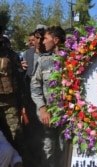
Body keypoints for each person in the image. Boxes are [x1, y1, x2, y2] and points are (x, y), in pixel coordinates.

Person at [31, 26, 66, 167]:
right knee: (48, 151)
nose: (43, 42)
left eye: (46, 38)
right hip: (48, 116)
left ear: (56, 40)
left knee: (66, 151)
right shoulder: (43, 60)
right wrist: (42, 108)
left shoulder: (74, 60)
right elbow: (35, 86)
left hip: (67, 117)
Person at [21, 26, 48, 167]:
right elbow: (24, 78)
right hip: (30, 102)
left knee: (46, 137)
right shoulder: (27, 54)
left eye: (41, 38)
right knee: (32, 135)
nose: (38, 41)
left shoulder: (49, 55)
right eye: (36, 38)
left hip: (46, 102)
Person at [0, 25, 25, 160]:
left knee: (16, 135)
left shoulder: (10, 54)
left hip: (10, 103)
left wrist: (23, 103)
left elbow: (20, 77)